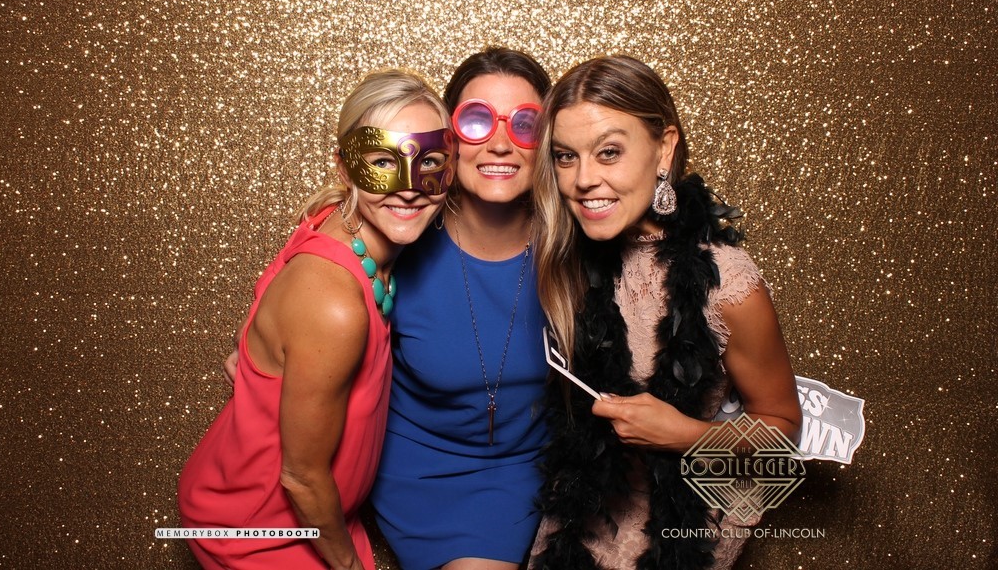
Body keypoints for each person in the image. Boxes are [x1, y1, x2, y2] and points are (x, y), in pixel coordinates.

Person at [528, 56, 802, 570]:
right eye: (566, 157)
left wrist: (683, 435)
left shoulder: (728, 282)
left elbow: (782, 427)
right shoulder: (567, 259)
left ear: (664, 148)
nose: (583, 179)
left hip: (673, 539)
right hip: (574, 529)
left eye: (609, 152)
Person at [178, 69, 456, 570]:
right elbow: (302, 476)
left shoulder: (334, 222)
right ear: (345, 169)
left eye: (430, 162)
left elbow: (252, 344)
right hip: (260, 531)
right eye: (382, 163)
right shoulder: (334, 301)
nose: (409, 189)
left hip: (316, 516)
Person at [369, 48, 553, 570]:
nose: (500, 143)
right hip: (410, 465)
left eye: (525, 124)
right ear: (446, 138)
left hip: (519, 472)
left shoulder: (574, 243)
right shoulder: (403, 227)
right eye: (476, 121)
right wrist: (265, 337)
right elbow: (325, 249)